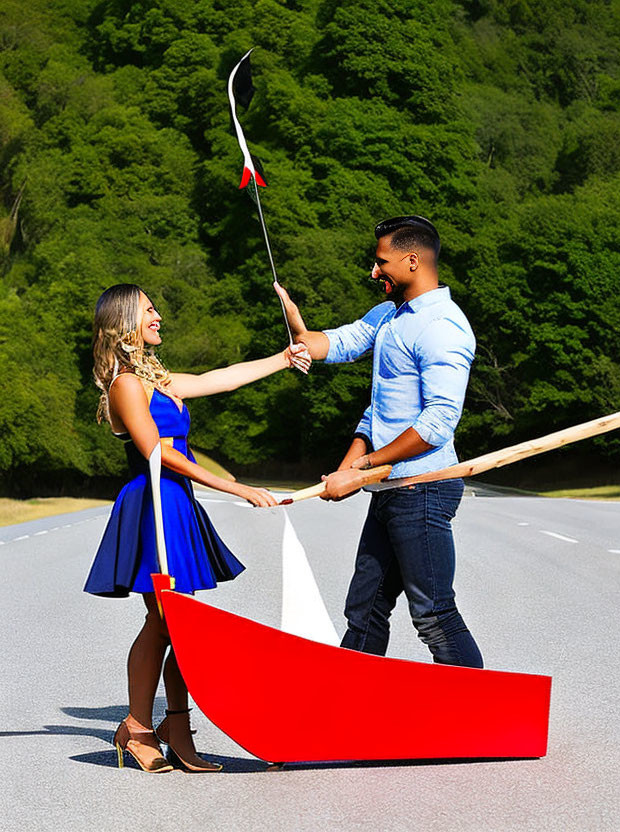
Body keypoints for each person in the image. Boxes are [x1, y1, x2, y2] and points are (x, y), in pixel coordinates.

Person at [85, 283, 311, 773]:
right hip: (153, 506)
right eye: (149, 309)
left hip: (176, 503)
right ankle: (140, 727)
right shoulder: (126, 382)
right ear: (125, 321)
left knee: (179, 624)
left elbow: (222, 378)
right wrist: (235, 488)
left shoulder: (158, 378)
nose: (158, 315)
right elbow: (157, 451)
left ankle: (175, 727)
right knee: (164, 621)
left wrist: (283, 358)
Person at [273, 215, 483, 668]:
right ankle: (350, 712)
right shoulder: (390, 316)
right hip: (390, 488)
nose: (374, 271)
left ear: (412, 260)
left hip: (425, 486)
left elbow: (438, 423)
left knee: (433, 614)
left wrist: (362, 469)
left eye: (381, 261)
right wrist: (296, 326)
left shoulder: (444, 325)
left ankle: (479, 724)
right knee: (365, 609)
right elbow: (332, 346)